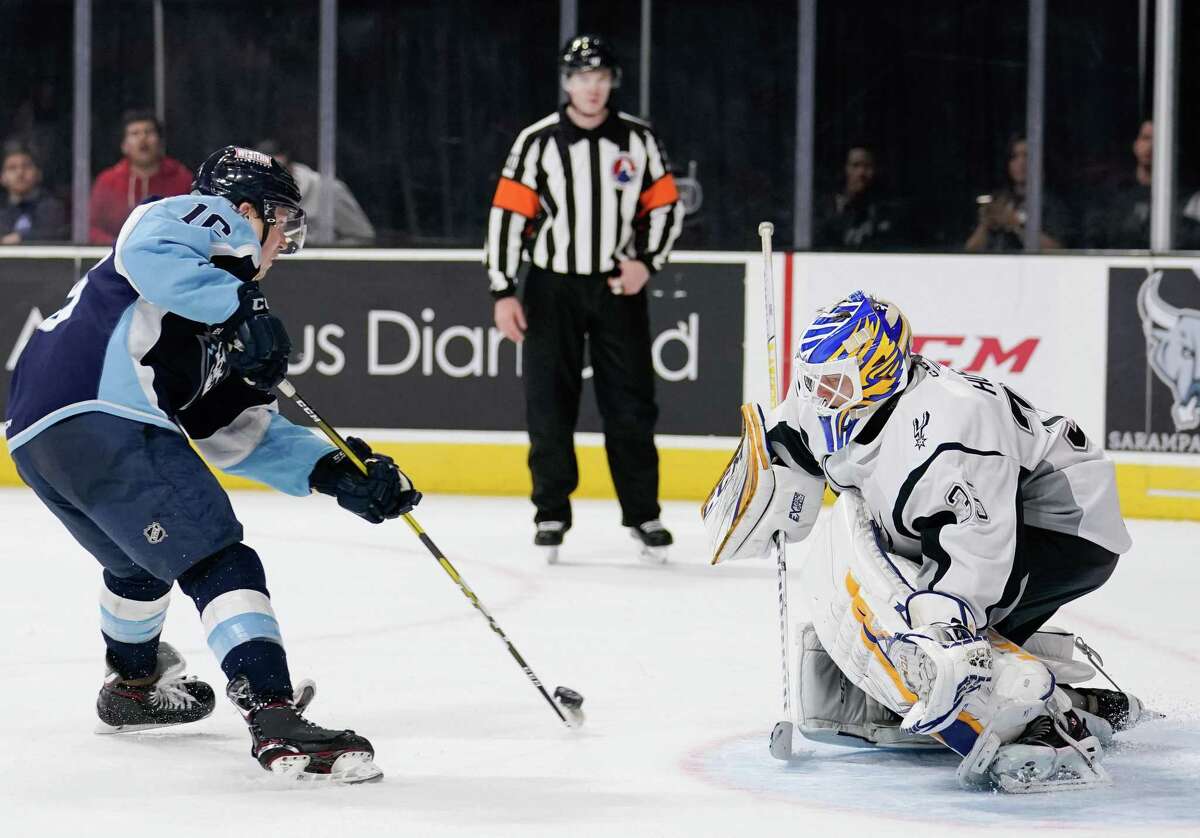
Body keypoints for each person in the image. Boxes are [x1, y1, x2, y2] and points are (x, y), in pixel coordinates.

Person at [6, 146, 420, 783]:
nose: (285, 242)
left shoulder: (197, 316)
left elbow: (231, 429)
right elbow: (147, 236)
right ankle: (275, 717)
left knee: (140, 564)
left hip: (39, 435)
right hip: (102, 411)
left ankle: (134, 685)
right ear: (249, 210)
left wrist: (337, 473)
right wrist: (240, 305)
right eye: (283, 221)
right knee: (219, 556)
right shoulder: (205, 225)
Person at [702, 290, 1145, 793]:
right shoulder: (842, 398)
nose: (820, 395)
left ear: (877, 370)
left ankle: (1052, 725)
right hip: (981, 518)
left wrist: (945, 637)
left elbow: (979, 553)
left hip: (1064, 526)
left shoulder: (951, 427)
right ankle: (1061, 696)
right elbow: (793, 429)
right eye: (813, 381)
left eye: (833, 383)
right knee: (914, 611)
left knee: (956, 632)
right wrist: (769, 479)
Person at [484, 33, 685, 562]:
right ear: (567, 83)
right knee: (550, 401)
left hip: (617, 286)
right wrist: (504, 288)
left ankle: (644, 513)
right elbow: (508, 217)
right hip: (552, 287)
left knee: (632, 403)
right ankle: (551, 510)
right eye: (581, 77)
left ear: (611, 82)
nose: (591, 88)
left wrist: (647, 263)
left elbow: (665, 205)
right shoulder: (538, 141)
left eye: (600, 77)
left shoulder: (638, 140)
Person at [88, 109, 193, 245]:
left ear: (160, 142)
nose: (142, 138)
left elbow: (193, 226)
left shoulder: (182, 179)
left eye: (149, 132)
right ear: (124, 145)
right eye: (135, 133)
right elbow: (92, 228)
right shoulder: (107, 181)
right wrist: (117, 246)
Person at [255, 139, 375, 245]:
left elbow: (363, 237)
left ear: (290, 167)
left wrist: (322, 252)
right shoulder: (245, 192)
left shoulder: (328, 190)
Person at [965, 135, 1069, 252]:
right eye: (1014, 157)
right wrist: (985, 224)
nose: (1021, 163)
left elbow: (1057, 251)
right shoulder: (999, 199)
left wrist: (1017, 225)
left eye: (1027, 156)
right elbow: (970, 250)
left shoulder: (1052, 204)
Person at [813, 145, 906, 250]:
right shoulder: (826, 206)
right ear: (845, 169)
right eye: (855, 166)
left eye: (867, 166)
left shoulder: (885, 210)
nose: (861, 173)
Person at [0, 142, 67, 243]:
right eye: (12, 168)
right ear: (2, 178)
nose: (20, 173)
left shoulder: (52, 208)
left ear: (38, 174)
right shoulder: (1, 211)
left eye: (26, 166)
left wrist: (20, 238)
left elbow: (53, 235)